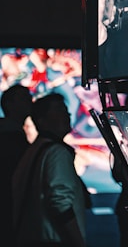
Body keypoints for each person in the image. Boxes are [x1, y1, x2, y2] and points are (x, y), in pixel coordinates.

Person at [12, 93, 89, 247]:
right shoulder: (56, 152)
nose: (67, 114)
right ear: (42, 119)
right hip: (54, 240)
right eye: (59, 109)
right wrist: (78, 242)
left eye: (65, 109)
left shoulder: (34, 150)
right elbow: (60, 203)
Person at [0, 84, 32, 246]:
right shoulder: (11, 138)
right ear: (9, 104)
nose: (30, 101)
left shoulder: (13, 134)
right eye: (24, 98)